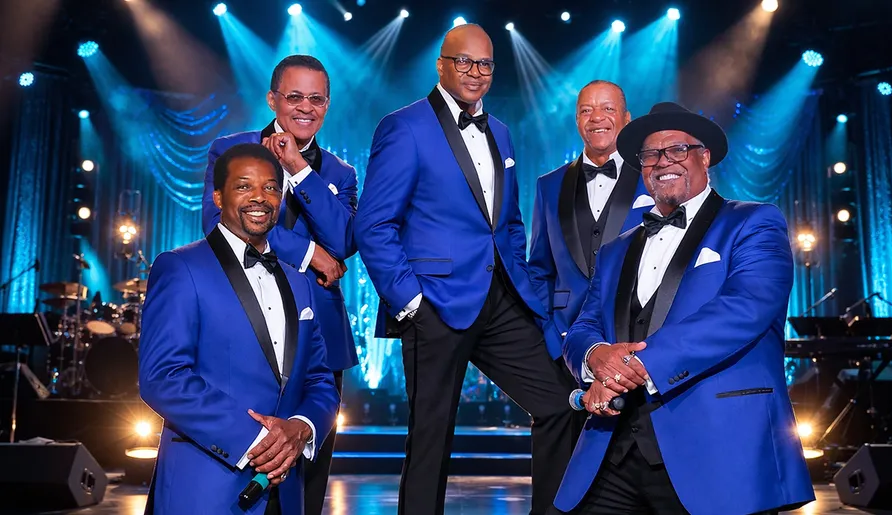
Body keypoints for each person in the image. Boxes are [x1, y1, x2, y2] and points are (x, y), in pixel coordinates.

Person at [552, 102, 815, 515]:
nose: (663, 162)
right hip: (612, 450)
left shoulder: (753, 222)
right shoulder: (615, 249)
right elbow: (585, 323)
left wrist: (637, 366)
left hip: (719, 449)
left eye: (677, 150)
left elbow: (745, 309)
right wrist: (595, 357)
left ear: (704, 156)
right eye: (651, 155)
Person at [354, 23, 575, 515]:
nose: (476, 73)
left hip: (501, 300)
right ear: (442, 65)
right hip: (433, 303)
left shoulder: (500, 131)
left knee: (561, 404)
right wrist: (410, 301)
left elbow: (508, 225)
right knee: (432, 436)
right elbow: (373, 223)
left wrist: (526, 290)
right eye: (465, 62)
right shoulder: (404, 126)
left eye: (486, 64)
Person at [140, 143, 340, 514]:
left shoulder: (300, 283)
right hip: (206, 489)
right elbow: (162, 377)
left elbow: (319, 380)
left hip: (284, 492)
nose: (259, 197)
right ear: (218, 196)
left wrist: (301, 428)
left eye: (270, 187)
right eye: (244, 186)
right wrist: (260, 440)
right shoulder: (180, 268)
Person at [202, 55, 357, 515]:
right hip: (241, 324)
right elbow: (221, 224)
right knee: (232, 467)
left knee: (307, 482)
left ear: (327, 104)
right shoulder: (229, 150)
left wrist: (300, 170)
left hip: (318, 334)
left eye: (316, 99)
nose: (305, 107)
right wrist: (310, 254)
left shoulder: (341, 175)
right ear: (272, 99)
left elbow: (345, 240)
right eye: (294, 96)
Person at [528, 80, 653, 367]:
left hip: (638, 347)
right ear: (577, 120)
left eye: (608, 108)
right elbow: (539, 269)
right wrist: (549, 334)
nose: (597, 117)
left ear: (626, 118)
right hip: (564, 345)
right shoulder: (548, 186)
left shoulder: (652, 177)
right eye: (586, 110)